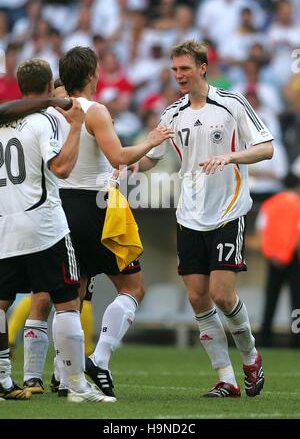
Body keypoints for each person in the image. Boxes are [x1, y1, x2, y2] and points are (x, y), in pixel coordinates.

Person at [0, 46, 173, 401]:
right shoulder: (91, 111)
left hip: (53, 206)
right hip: (93, 206)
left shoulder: (49, 114)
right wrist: (152, 141)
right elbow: (118, 157)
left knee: (54, 295)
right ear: (93, 74)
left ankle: (40, 376)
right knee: (132, 287)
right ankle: (91, 365)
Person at [139, 40, 274, 398]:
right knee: (198, 298)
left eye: (184, 68)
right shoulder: (173, 112)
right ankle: (226, 378)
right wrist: (127, 158)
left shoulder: (231, 103)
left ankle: (250, 356)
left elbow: (267, 148)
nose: (178, 75)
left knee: (222, 295)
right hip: (189, 215)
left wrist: (231, 158)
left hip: (228, 212)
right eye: (174, 69)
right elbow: (149, 158)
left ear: (202, 67)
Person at [0, 58, 113, 403]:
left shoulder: (3, 122)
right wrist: (76, 127)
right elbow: (62, 168)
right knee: (67, 302)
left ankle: (5, 378)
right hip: (45, 225)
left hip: (6, 227)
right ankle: (76, 384)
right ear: (51, 86)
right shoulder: (46, 118)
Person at [247, 180, 300, 348]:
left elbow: (260, 233)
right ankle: (296, 341)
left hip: (273, 259)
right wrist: (288, 252)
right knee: (296, 304)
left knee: (270, 301)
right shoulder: (298, 204)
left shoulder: (269, 205)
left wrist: (274, 254)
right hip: (294, 259)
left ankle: (265, 340)